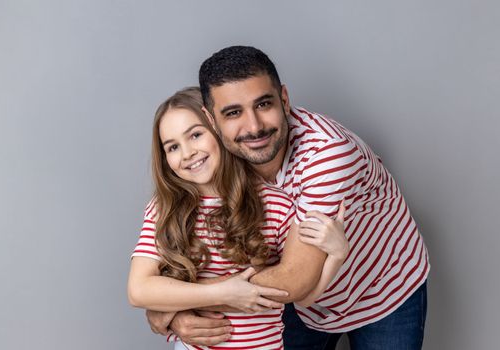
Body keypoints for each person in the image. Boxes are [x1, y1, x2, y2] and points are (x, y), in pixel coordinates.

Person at [148, 47, 430, 350]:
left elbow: (296, 278)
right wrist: (172, 307)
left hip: (379, 288)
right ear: (211, 119)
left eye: (264, 104)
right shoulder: (217, 155)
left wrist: (172, 302)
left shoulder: (328, 155)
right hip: (294, 302)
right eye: (233, 112)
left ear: (284, 99)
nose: (254, 127)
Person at [128, 87, 349, 349]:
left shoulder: (275, 205)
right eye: (173, 147)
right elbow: (138, 289)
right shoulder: (165, 208)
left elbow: (303, 297)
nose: (187, 153)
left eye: (196, 135)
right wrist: (223, 293)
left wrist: (337, 255)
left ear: (218, 129)